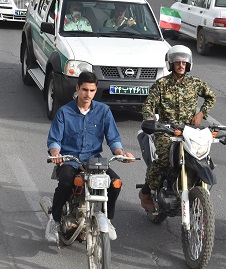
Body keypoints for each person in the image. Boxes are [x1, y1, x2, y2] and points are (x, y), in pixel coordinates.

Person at [46, 71, 134, 243]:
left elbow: (113, 139)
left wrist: (121, 154)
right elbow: (54, 140)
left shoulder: (103, 111)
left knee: (115, 183)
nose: (88, 94)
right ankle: (54, 220)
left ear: (96, 91)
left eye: (92, 90)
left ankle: (107, 219)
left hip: (94, 161)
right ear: (78, 88)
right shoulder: (64, 112)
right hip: (70, 161)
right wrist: (56, 154)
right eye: (85, 89)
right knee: (65, 183)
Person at [139, 45, 216, 212]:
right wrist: (150, 119)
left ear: (188, 64)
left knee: (202, 157)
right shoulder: (161, 84)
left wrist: (201, 114)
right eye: (177, 62)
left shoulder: (195, 83)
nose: (181, 65)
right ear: (171, 64)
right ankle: (146, 192)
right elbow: (148, 105)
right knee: (164, 159)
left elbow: (211, 97)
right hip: (166, 130)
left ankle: (192, 187)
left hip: (189, 130)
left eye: (184, 62)